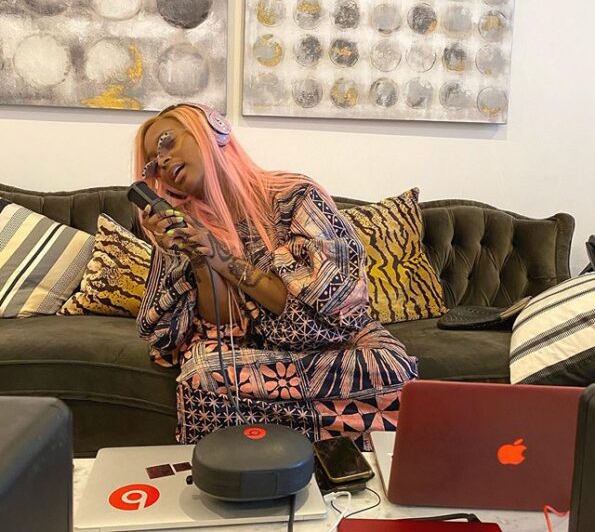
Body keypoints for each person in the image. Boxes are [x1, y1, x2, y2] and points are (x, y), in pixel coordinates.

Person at [134, 103, 417, 449]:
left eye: (167, 142)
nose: (162, 161)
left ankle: (296, 450)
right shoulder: (187, 223)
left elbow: (324, 313)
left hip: (334, 343)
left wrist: (222, 256)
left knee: (390, 367)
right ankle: (263, 462)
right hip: (259, 355)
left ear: (213, 129)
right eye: (152, 163)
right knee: (203, 372)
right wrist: (197, 255)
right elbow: (224, 322)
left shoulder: (294, 195)